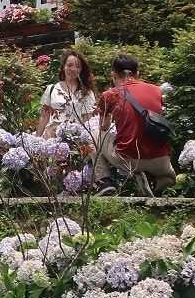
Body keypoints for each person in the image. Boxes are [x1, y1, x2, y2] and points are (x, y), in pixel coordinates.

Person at [94, 53, 176, 196]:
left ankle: (104, 181)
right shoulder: (156, 90)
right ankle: (154, 181)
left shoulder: (109, 95)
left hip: (128, 159)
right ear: (137, 74)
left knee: (95, 135)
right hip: (160, 160)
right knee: (169, 177)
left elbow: (104, 127)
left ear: (114, 75)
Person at [37, 50, 97, 138]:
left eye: (77, 66)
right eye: (69, 65)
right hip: (52, 137)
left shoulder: (86, 92)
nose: (73, 69)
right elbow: (44, 117)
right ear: (63, 67)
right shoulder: (52, 89)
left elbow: (87, 120)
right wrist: (37, 139)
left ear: (81, 70)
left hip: (75, 138)